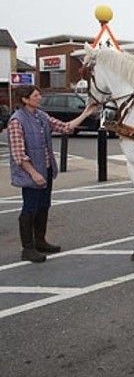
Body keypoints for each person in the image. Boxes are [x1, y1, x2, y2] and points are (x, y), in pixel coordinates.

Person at [7, 85, 98, 263]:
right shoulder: (16, 121)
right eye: (36, 95)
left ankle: (40, 241)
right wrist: (34, 174)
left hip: (46, 169)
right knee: (30, 208)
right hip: (31, 173)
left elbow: (64, 127)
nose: (39, 97)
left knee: (43, 206)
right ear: (25, 99)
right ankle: (28, 248)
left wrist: (86, 113)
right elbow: (19, 153)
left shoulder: (41, 116)